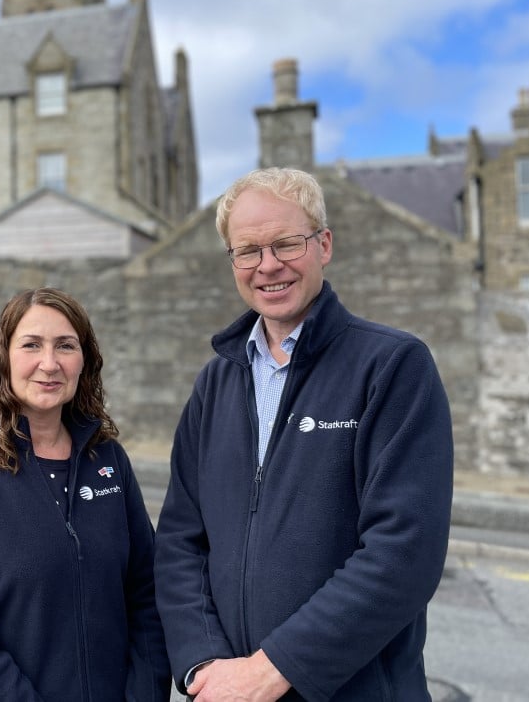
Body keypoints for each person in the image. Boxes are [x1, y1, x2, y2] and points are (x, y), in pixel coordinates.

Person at [154, 167, 454, 701]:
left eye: (287, 244)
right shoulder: (216, 382)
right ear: (232, 262)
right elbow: (180, 540)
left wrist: (269, 672)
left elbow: (403, 553)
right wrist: (204, 664)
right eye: (248, 251)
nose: (268, 266)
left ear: (324, 245)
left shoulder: (391, 366)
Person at [0, 287, 171, 702]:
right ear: (4, 358)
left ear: (84, 361)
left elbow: (146, 596)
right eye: (31, 344)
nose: (49, 364)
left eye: (65, 346)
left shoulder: (108, 459)